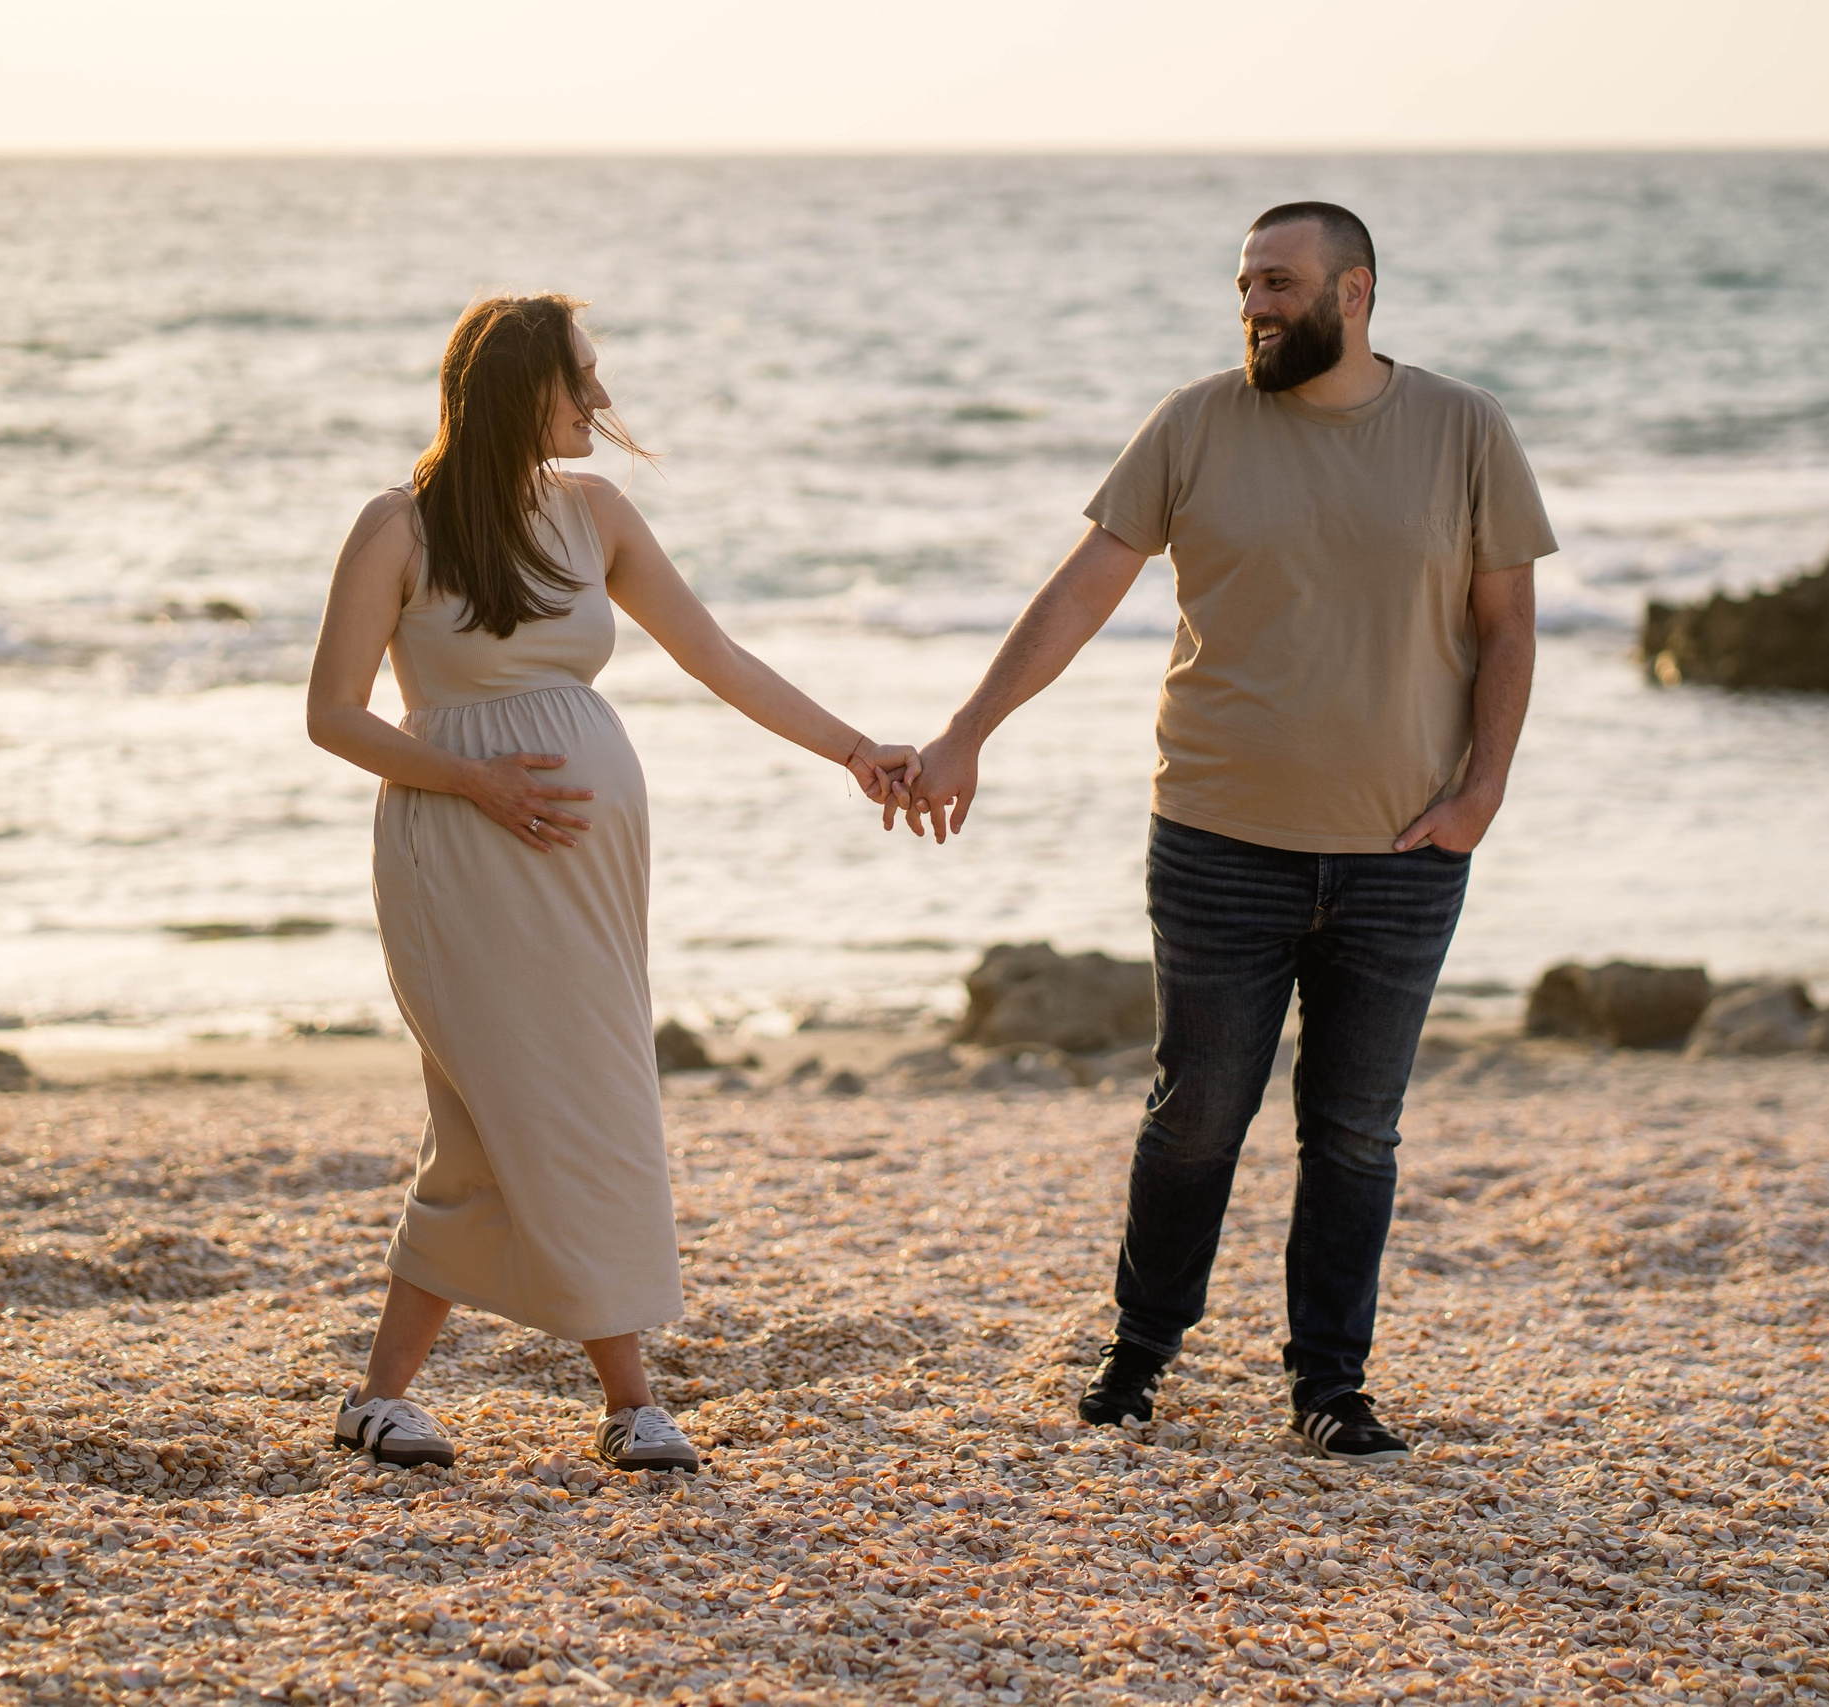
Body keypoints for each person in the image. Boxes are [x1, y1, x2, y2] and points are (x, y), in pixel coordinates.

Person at [896, 203, 1554, 1463]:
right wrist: (967, 729)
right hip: (1215, 839)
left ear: (1353, 293)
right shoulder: (1194, 422)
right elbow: (1081, 591)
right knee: (1197, 1114)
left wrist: (1483, 793)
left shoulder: (1463, 427)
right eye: (1245, 282)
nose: (1253, 305)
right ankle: (1140, 1353)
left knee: (1354, 1132)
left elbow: (1506, 626)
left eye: (1279, 283)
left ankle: (1329, 1385)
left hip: (1403, 853)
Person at [306, 293, 917, 1475]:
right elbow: (333, 715)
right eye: (577, 378)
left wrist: (853, 750)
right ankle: (627, 1400)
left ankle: (382, 1400)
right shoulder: (399, 526)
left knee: (534, 1107)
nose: (599, 399)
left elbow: (718, 656)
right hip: (457, 850)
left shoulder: (597, 516)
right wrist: (478, 782)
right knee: (530, 1101)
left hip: (586, 860)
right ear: (513, 389)